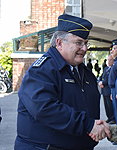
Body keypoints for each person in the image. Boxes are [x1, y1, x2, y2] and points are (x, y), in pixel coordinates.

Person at [14, 14, 110, 150]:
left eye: (86, 43)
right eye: (78, 43)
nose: (84, 48)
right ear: (59, 43)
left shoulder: (84, 72)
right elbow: (44, 108)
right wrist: (87, 124)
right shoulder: (42, 71)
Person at [98, 55, 115, 124]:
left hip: (108, 90)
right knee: (106, 106)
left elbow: (109, 79)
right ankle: (109, 117)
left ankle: (112, 118)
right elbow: (101, 76)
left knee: (110, 105)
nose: (109, 61)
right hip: (104, 90)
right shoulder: (105, 68)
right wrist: (100, 82)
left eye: (110, 60)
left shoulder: (113, 69)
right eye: (108, 60)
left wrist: (103, 83)